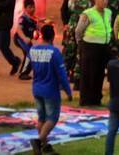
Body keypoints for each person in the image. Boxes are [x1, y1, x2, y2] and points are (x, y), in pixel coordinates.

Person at [28, 24, 72, 155]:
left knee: (42, 118)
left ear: (41, 35)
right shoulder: (55, 52)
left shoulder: (33, 50)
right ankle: (39, 141)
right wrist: (68, 91)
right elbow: (62, 75)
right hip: (50, 90)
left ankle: (45, 146)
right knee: (52, 118)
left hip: (36, 88)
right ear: (53, 37)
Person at [75, 0, 112, 106]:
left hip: (104, 46)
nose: (105, 1)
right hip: (90, 46)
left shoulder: (108, 12)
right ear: (95, 0)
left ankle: (96, 99)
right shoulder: (88, 13)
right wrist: (81, 43)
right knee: (88, 74)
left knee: (100, 74)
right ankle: (86, 100)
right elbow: (78, 30)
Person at [14, 0, 39, 80]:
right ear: (25, 8)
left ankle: (25, 72)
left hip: (27, 40)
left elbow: (36, 31)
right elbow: (18, 29)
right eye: (30, 7)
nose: (32, 9)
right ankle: (23, 73)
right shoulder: (23, 18)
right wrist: (24, 38)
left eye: (33, 7)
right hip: (19, 39)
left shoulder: (34, 19)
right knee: (30, 53)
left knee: (31, 53)